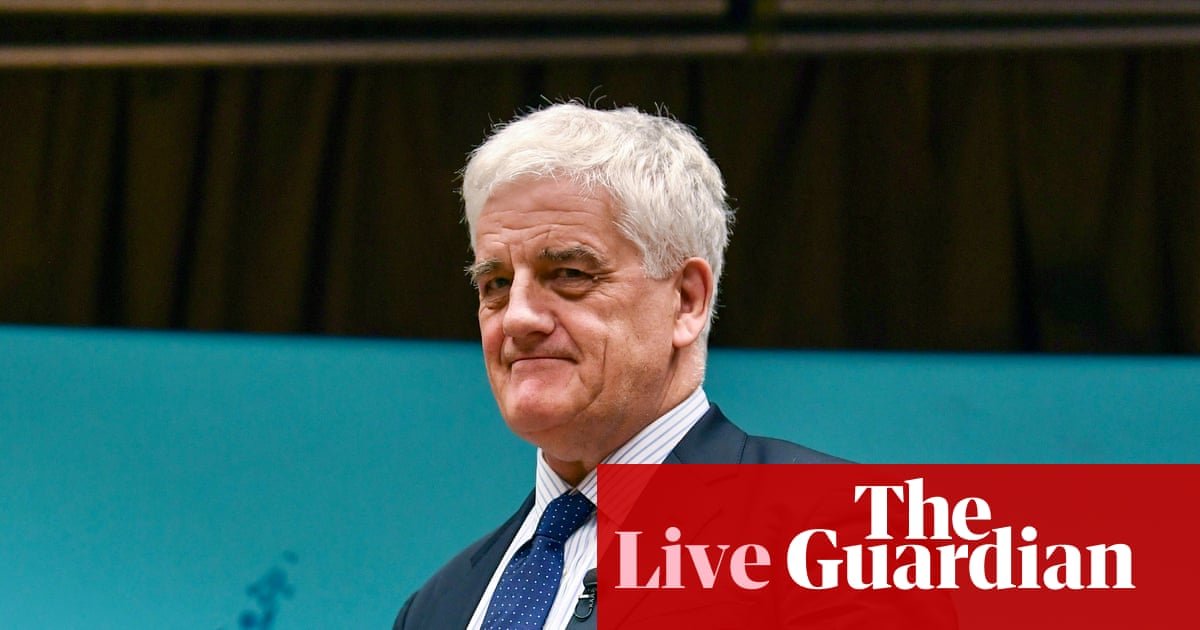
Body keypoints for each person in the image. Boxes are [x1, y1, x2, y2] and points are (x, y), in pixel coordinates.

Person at [394, 102, 844, 630]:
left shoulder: (836, 534)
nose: (516, 317)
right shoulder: (436, 608)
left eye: (568, 273)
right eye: (496, 284)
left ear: (686, 301)